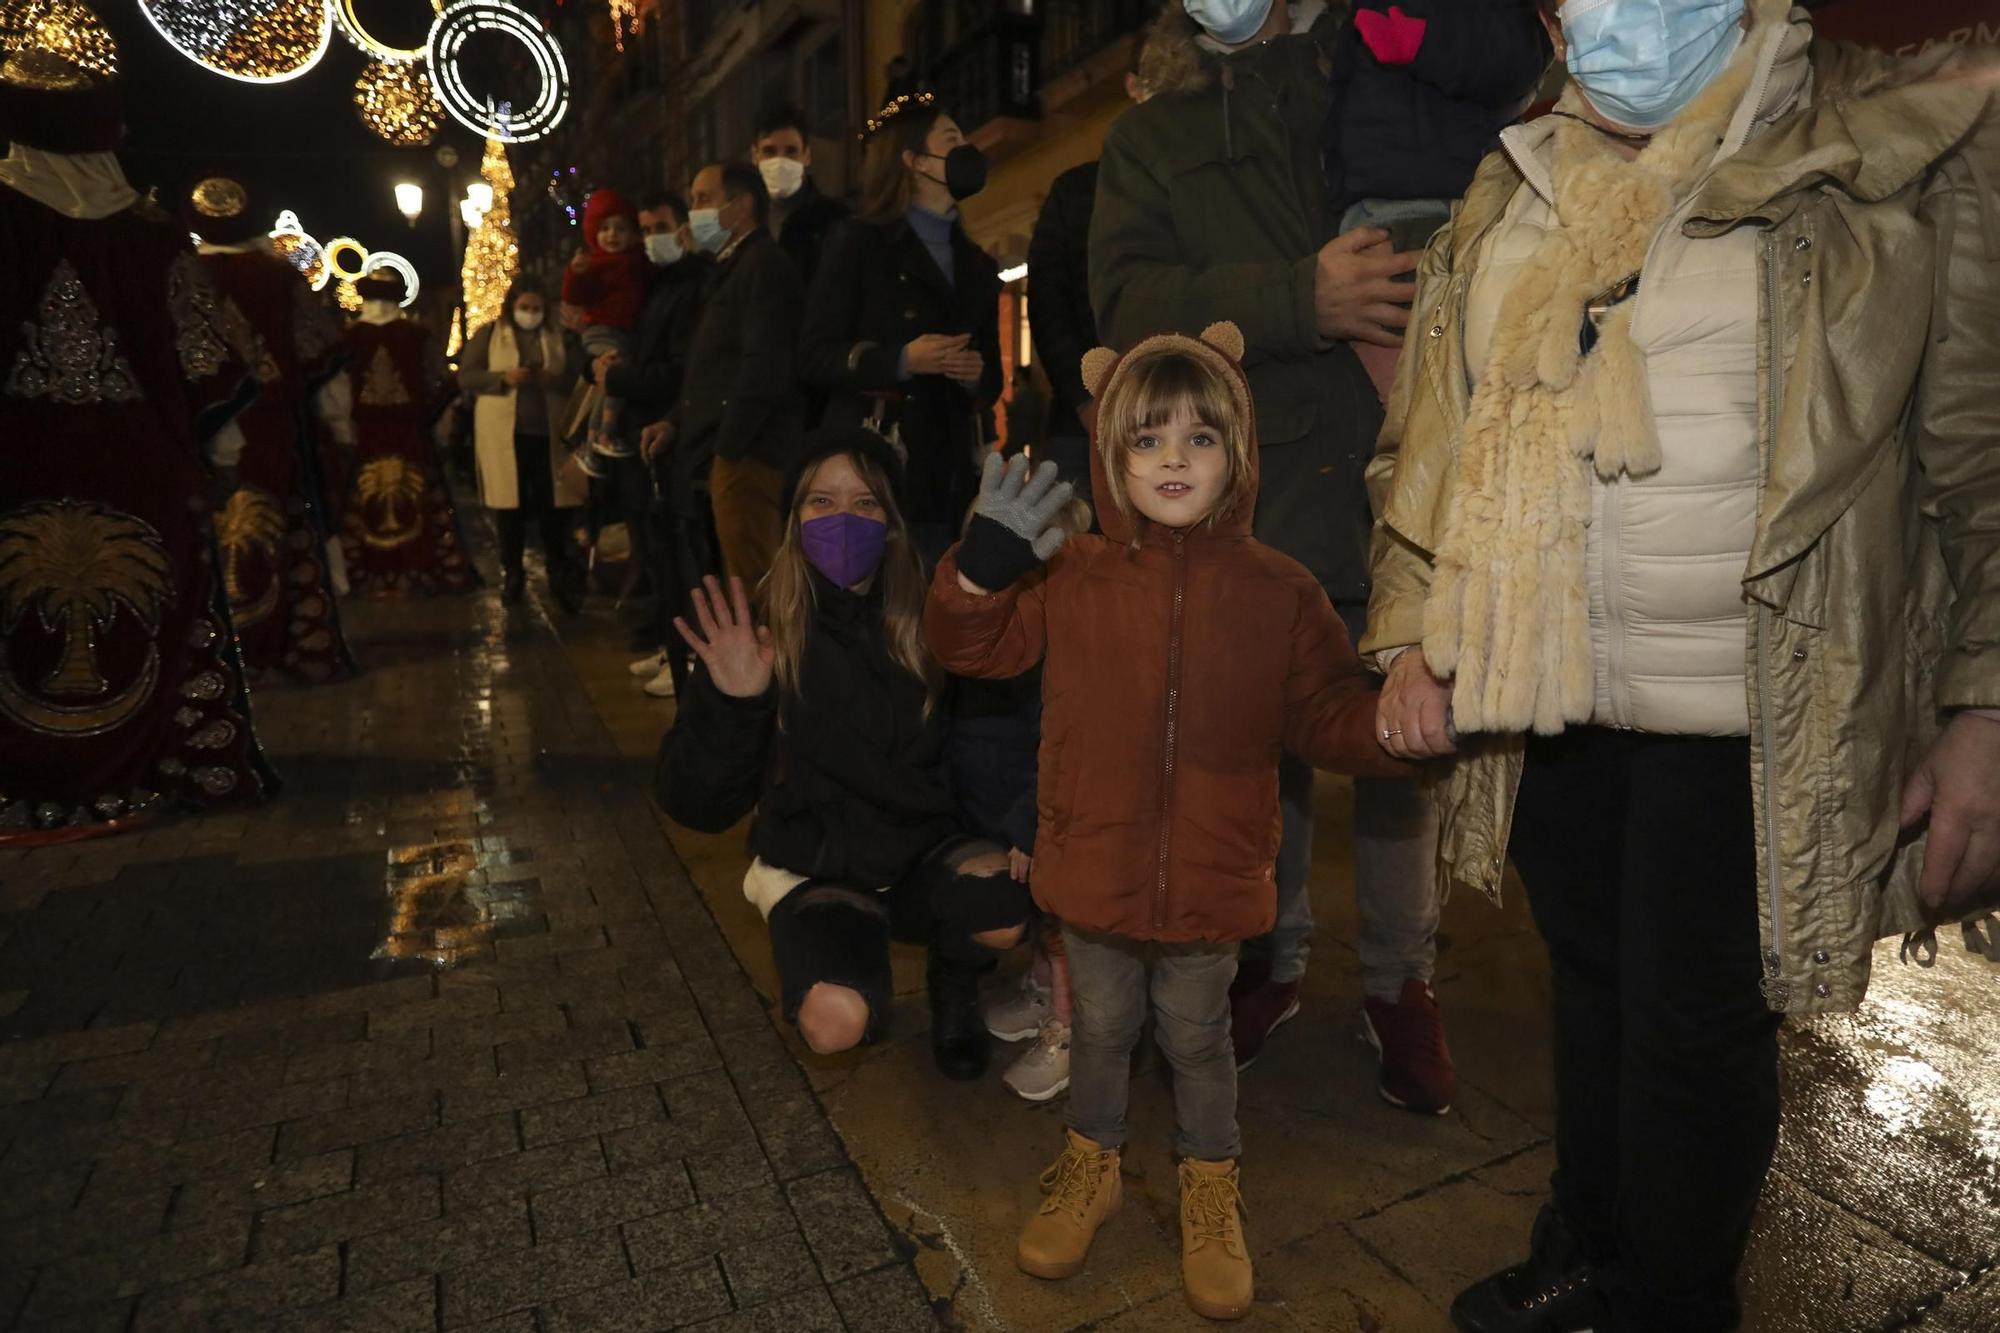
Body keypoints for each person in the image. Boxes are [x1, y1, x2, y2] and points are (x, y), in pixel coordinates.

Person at [1363, 1, 2000, 1329]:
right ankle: (1593, 1243)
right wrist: (1415, 635)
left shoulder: (1891, 149)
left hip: (1756, 704)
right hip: (1550, 688)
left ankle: (1671, 1295)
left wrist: (1983, 704)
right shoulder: (1520, 171)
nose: (1600, 17)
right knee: (1592, 990)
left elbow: (1979, 466)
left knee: (1691, 1030)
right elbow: (1439, 434)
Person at [926, 324, 1412, 1322]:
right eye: (1145, 439)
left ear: (1237, 453)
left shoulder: (1278, 590)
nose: (1173, 460)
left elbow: (1325, 709)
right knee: (1098, 1026)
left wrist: (1397, 725)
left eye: (1199, 437)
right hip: (1092, 871)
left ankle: (1207, 1182)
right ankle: (1091, 1162)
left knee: (1196, 1039)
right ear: (1109, 456)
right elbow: (975, 648)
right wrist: (976, 574)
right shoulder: (1071, 572)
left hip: (1211, 881)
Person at [1092, 0, 1451, 1108]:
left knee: (1406, 736)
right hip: (1257, 484)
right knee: (1263, 753)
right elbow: (1126, 300)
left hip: (1403, 464)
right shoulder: (1148, 133)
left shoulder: (1367, 65)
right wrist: (1296, 300)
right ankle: (1270, 958)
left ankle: (1401, 985)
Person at [655, 427, 1033, 1081]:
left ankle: (955, 983)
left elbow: (990, 742)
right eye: (820, 502)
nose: (842, 520)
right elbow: (696, 804)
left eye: (865, 503)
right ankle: (843, 960)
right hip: (820, 865)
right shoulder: (760, 626)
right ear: (793, 519)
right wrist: (734, 702)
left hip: (920, 853)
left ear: (891, 521)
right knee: (834, 1027)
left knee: (1002, 904)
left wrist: (1012, 832)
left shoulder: (932, 619)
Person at [0, 32, 278, 841]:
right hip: (142, 469)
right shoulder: (149, 232)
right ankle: (156, 763)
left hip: (15, 464)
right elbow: (210, 363)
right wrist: (218, 458)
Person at [800, 92, 1001, 564]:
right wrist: (902, 360)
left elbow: (990, 377)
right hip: (875, 466)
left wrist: (973, 372)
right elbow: (812, 354)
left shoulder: (976, 263)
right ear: (913, 160)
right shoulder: (858, 243)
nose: (966, 150)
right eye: (952, 139)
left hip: (947, 472)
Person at [1321, 0, 1551, 400]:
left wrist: (1425, 42)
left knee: (1421, 393)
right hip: (1367, 212)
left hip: (1434, 213)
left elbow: (1513, 57)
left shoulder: (1498, 17)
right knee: (1381, 398)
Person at [188, 173, 358, 683]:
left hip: (197, 430)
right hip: (274, 427)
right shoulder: (277, 276)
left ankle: (212, 653)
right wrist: (340, 428)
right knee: (274, 533)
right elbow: (321, 357)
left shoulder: (178, 272)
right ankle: (275, 645)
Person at [639, 162, 804, 590]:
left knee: (755, 583)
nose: (694, 211)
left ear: (740, 206)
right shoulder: (730, 269)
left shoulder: (764, 265)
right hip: (725, 453)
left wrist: (728, 449)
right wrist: (676, 422)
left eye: (703, 199)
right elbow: (712, 368)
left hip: (750, 456)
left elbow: (761, 365)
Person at [1024, 44, 1153, 513]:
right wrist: (1084, 399)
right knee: (1075, 559)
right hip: (1081, 424)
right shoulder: (1076, 190)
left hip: (1178, 416)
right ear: (1133, 86)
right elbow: (1047, 302)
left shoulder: (1208, 191)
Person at [610, 192, 711, 697]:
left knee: (688, 557)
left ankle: (692, 654)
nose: (653, 238)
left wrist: (618, 379)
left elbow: (678, 369)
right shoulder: (660, 285)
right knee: (662, 554)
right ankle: (675, 646)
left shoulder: (693, 284)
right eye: (645, 229)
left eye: (661, 227)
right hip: (654, 434)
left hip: (677, 432)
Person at [337, 270, 477, 597]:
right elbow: (441, 383)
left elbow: (338, 390)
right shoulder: (416, 335)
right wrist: (428, 419)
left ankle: (371, 570)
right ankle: (418, 565)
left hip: (367, 435)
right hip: (410, 434)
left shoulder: (349, 339)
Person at [457, 280, 585, 611]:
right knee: (509, 510)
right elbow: (466, 376)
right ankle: (512, 574)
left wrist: (550, 381)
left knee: (552, 510)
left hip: (548, 436)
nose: (531, 315)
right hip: (506, 436)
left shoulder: (559, 337)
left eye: (536, 308)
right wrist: (502, 378)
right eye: (524, 308)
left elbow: (575, 379)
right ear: (512, 307)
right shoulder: (489, 334)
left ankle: (559, 574)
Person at [561, 188, 648, 459]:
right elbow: (575, 295)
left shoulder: (638, 261)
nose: (612, 235)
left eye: (620, 229)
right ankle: (603, 433)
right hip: (601, 332)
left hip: (622, 333)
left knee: (609, 380)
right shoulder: (594, 264)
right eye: (605, 228)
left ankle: (592, 440)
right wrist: (576, 272)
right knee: (615, 375)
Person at [751, 102, 850, 289]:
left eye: (791, 151)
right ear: (754, 156)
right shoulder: (746, 219)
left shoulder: (835, 221)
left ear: (807, 156)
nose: (780, 161)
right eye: (769, 152)